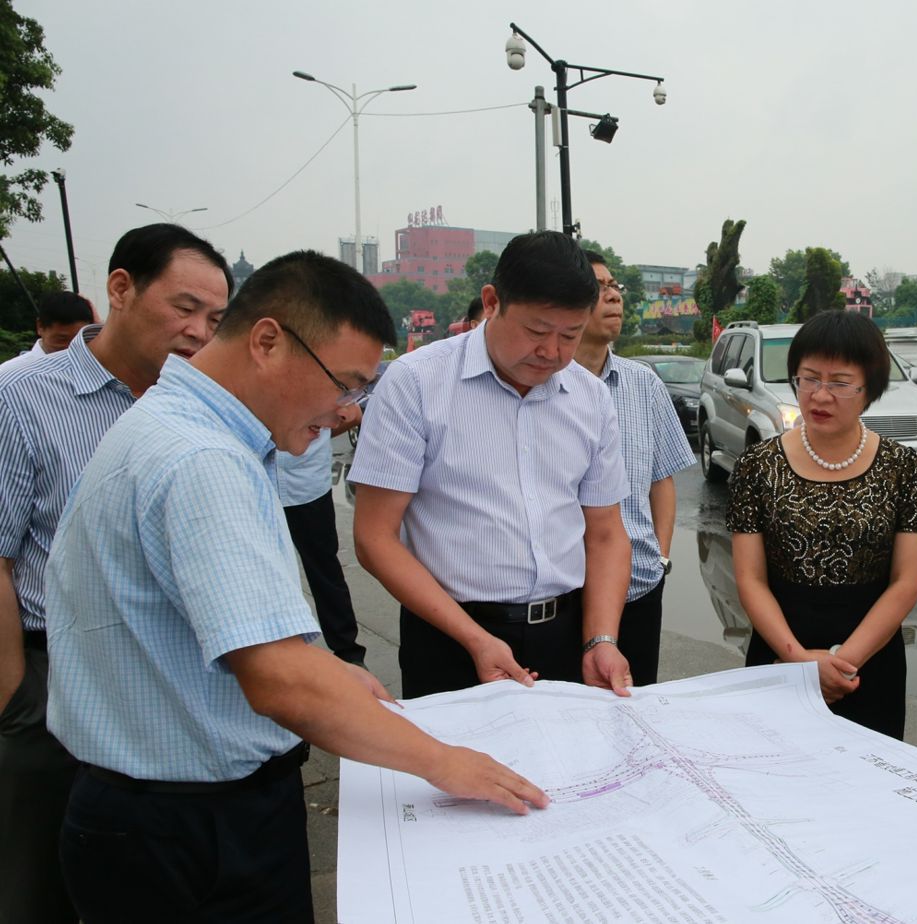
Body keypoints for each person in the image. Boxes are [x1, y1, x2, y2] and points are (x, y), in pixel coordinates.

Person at [44, 250, 548, 921]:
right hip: (186, 828)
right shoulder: (202, 460)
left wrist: (328, 671)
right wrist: (441, 761)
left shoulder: (179, 427)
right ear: (267, 342)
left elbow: (215, 627)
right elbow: (277, 680)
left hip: (157, 814)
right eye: (344, 384)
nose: (344, 412)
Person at [0, 223, 232, 923]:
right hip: (54, 676)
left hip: (173, 681)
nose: (198, 331)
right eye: (185, 308)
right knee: (37, 882)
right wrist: (16, 701)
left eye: (215, 319)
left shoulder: (202, 402)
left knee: (147, 885)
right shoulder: (21, 397)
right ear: (121, 289)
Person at [351, 231, 632, 698]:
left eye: (570, 335)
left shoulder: (589, 396)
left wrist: (601, 639)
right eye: (537, 332)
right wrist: (474, 638)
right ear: (491, 302)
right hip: (449, 636)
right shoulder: (415, 383)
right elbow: (374, 537)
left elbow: (605, 532)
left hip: (564, 633)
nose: (552, 352)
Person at [727, 310, 917, 739]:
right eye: (809, 378)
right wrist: (801, 663)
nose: (820, 395)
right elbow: (750, 579)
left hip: (869, 661)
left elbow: (906, 583)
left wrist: (842, 663)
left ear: (870, 387)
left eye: (839, 383)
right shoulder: (756, 466)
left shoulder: (902, 468)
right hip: (780, 654)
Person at [573, 251, 696, 684]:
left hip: (640, 587)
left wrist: (660, 556)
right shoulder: (544, 385)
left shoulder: (643, 383)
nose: (613, 297)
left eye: (615, 287)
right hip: (567, 592)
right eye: (598, 288)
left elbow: (662, 479)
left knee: (635, 706)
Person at [277, 403, 368, 665]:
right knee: (267, 571)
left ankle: (349, 653)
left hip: (307, 485)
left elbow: (352, 414)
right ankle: (282, 654)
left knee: (324, 571)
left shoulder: (321, 382)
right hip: (256, 480)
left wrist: (316, 430)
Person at [0, 291, 93, 374]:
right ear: (40, 327)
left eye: (80, 339)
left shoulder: (92, 368)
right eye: (62, 339)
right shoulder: (9, 374)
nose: (72, 347)